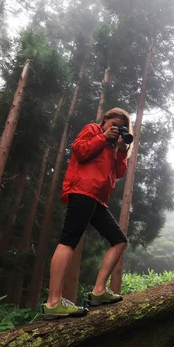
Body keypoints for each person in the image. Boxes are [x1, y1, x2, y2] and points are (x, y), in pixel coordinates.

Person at [43, 107, 131, 320]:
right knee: (68, 241)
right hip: (82, 191)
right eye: (115, 124)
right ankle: (53, 303)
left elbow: (119, 172)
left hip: (98, 200)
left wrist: (120, 150)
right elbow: (80, 151)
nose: (117, 129)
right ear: (106, 119)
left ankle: (98, 291)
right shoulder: (93, 129)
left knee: (119, 240)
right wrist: (102, 136)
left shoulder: (112, 147)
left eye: (121, 127)